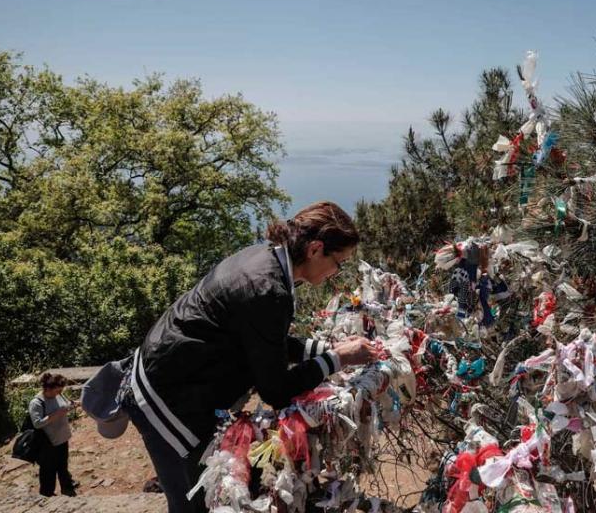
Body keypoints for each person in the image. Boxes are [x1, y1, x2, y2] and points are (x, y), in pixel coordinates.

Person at [119, 201, 380, 513]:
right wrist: (337, 359)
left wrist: (325, 349)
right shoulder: (268, 289)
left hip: (173, 381)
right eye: (340, 262)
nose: (337, 272)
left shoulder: (266, 258)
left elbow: (266, 341)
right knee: (202, 501)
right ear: (315, 249)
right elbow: (276, 389)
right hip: (169, 400)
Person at [30, 373, 77, 497]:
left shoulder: (59, 395)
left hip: (62, 437)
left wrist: (73, 405)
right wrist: (56, 414)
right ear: (48, 388)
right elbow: (37, 423)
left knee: (63, 464)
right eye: (58, 390)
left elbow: (66, 406)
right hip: (48, 441)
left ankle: (67, 487)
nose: (60, 392)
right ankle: (47, 494)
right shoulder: (37, 402)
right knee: (48, 469)